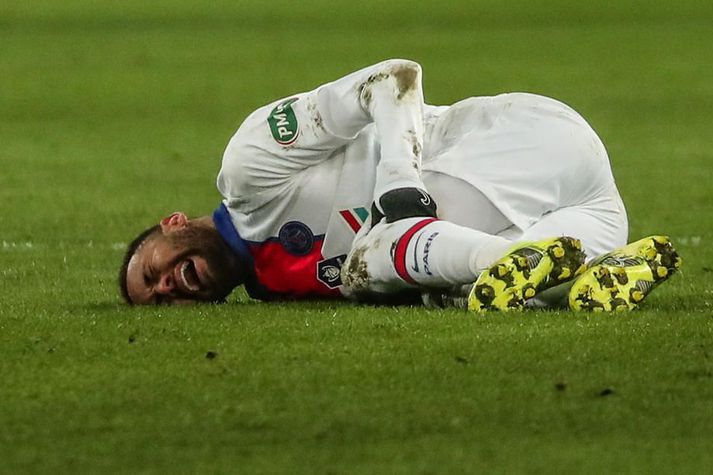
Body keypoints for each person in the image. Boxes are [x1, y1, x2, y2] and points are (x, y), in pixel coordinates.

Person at [119, 59, 680, 310]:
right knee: (524, 287)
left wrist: (399, 182)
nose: (166, 286)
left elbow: (392, 77)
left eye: (152, 269)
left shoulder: (248, 168)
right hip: (591, 204)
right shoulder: (275, 284)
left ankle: (510, 260)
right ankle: (601, 272)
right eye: (159, 300)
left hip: (511, 141)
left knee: (374, 254)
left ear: (173, 224)